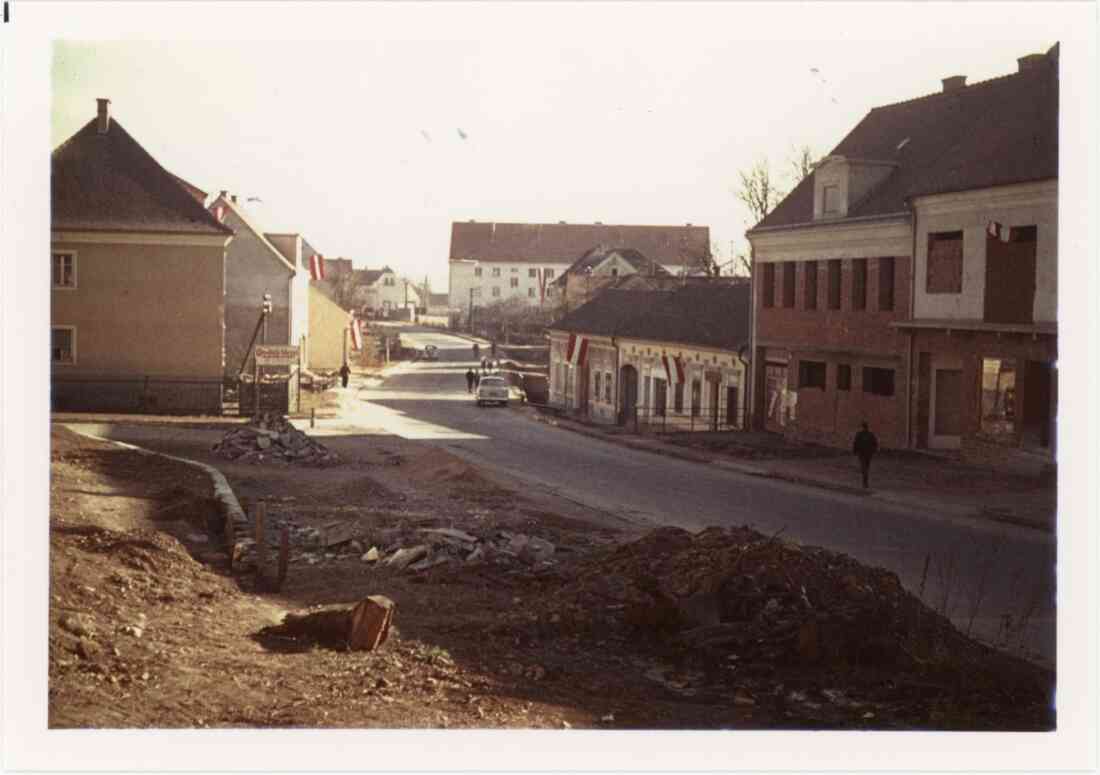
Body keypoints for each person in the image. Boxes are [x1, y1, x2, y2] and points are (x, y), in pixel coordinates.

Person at [852, 421, 879, 490]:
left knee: (864, 467)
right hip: (868, 454)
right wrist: (873, 451)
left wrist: (855, 451)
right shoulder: (870, 434)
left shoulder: (859, 434)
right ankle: (865, 481)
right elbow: (875, 444)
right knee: (866, 466)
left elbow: (856, 443)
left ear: (862, 427)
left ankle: (865, 481)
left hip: (862, 454)